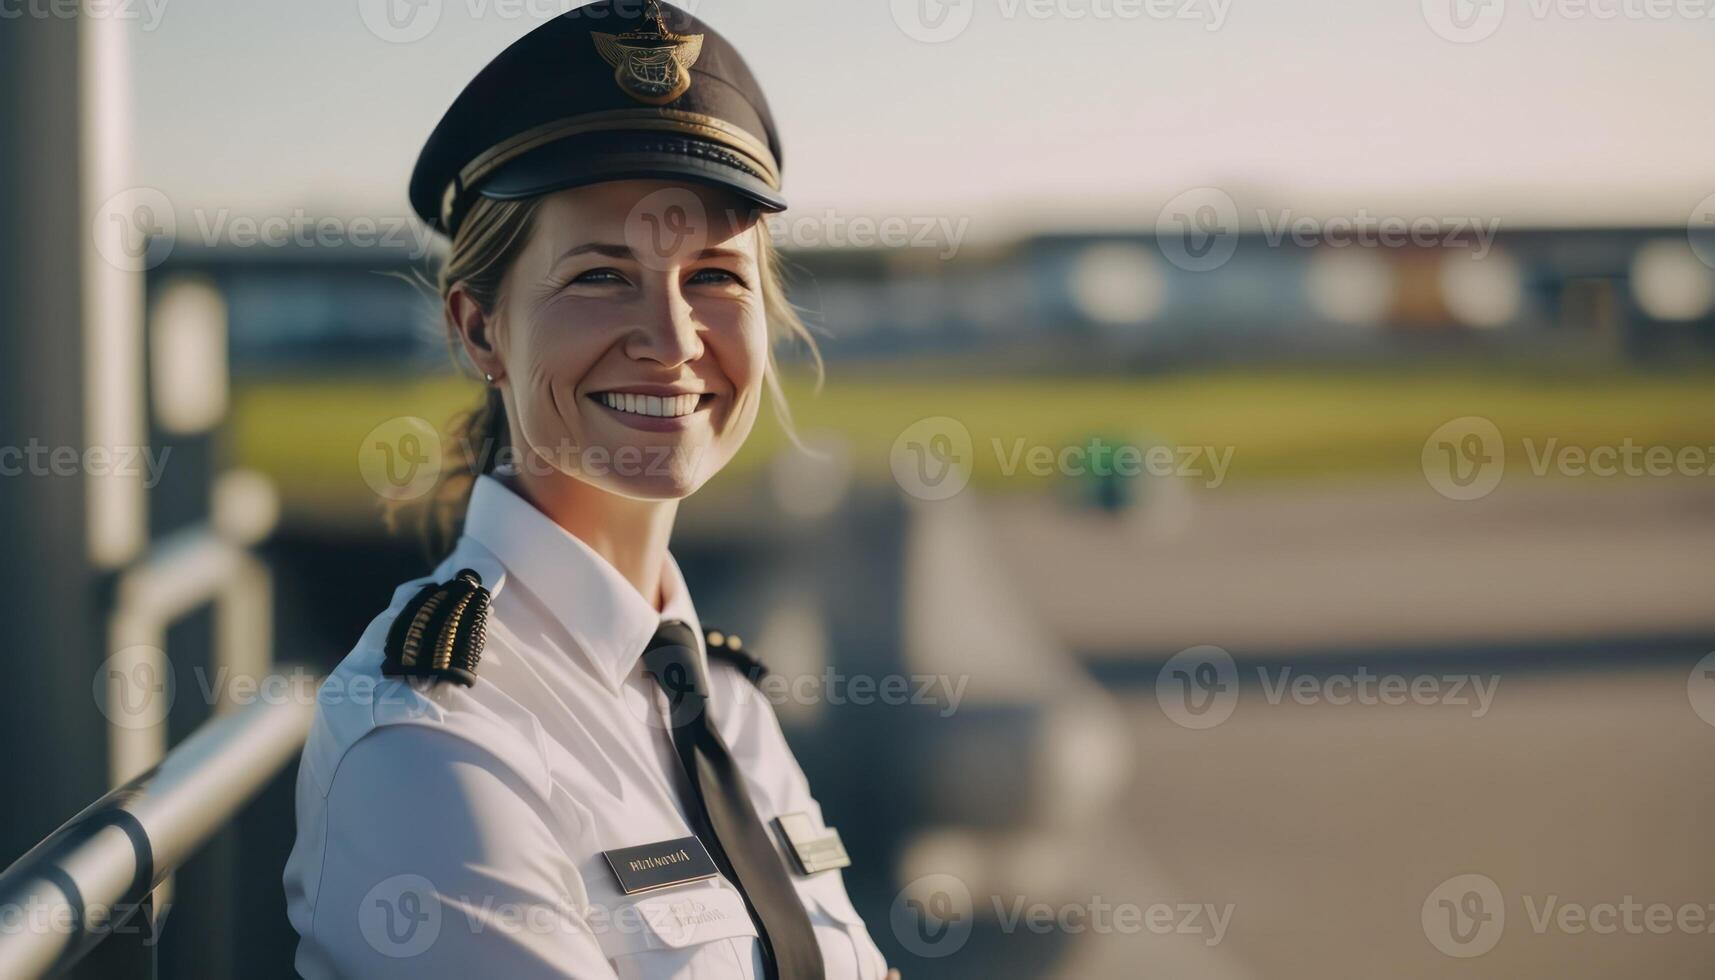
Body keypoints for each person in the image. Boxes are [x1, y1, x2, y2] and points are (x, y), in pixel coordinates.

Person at [282, 3, 896, 977]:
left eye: (713, 278)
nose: (673, 336)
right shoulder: (431, 741)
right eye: (603, 274)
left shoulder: (724, 700)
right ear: (480, 328)